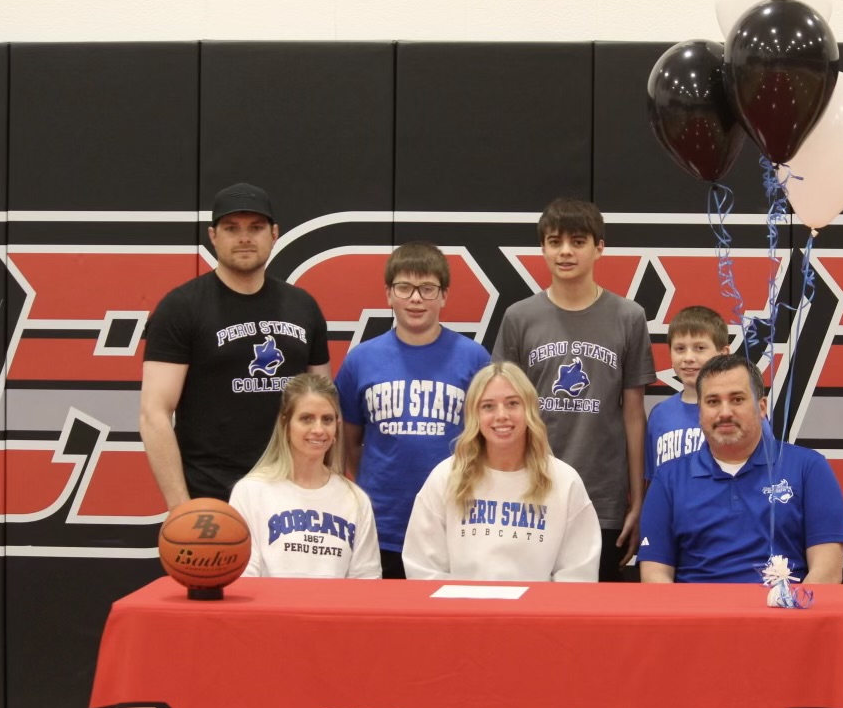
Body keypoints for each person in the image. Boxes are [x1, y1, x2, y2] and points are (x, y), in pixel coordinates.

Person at [493, 198, 655, 581]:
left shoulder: (628, 317)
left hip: (602, 497)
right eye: (554, 241)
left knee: (595, 622)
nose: (565, 251)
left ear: (599, 247)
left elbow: (633, 414)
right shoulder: (520, 317)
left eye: (578, 241)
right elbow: (503, 411)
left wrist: (638, 501)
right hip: (529, 491)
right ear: (543, 248)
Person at [140, 183, 330, 508]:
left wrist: (325, 487)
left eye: (255, 228)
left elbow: (323, 405)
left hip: (292, 491)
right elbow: (154, 413)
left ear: (274, 233)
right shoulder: (181, 307)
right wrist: (180, 507)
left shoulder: (303, 307)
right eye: (232, 228)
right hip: (211, 496)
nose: (244, 238)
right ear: (213, 236)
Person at [334, 242, 490, 579]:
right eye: (404, 287)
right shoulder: (361, 359)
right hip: (382, 522)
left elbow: (486, 440)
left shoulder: (474, 358)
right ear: (388, 294)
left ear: (444, 296)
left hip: (454, 520)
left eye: (427, 289)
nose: (415, 298)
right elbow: (349, 442)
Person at [639, 354, 843, 584]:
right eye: (713, 402)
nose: (725, 412)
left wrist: (790, 617)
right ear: (700, 413)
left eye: (737, 399)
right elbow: (655, 576)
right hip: (698, 617)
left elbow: (827, 574)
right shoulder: (668, 478)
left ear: (761, 407)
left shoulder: (809, 468)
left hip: (784, 614)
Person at [403, 362, 599, 582]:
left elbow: (578, 574)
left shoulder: (564, 481)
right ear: (474, 415)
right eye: (488, 406)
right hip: (460, 613)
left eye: (513, 403)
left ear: (530, 409)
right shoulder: (446, 477)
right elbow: (423, 569)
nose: (501, 415)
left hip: (536, 614)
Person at [229, 374, 380, 578]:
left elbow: (366, 581)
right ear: (286, 424)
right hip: (270, 610)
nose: (318, 429)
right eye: (306, 418)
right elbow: (244, 577)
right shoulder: (250, 491)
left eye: (327, 419)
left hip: (334, 609)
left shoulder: (355, 499)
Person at [645, 306, 730, 483]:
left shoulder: (741, 412)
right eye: (680, 348)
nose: (688, 357)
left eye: (699, 348)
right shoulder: (660, 415)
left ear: (723, 354)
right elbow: (653, 481)